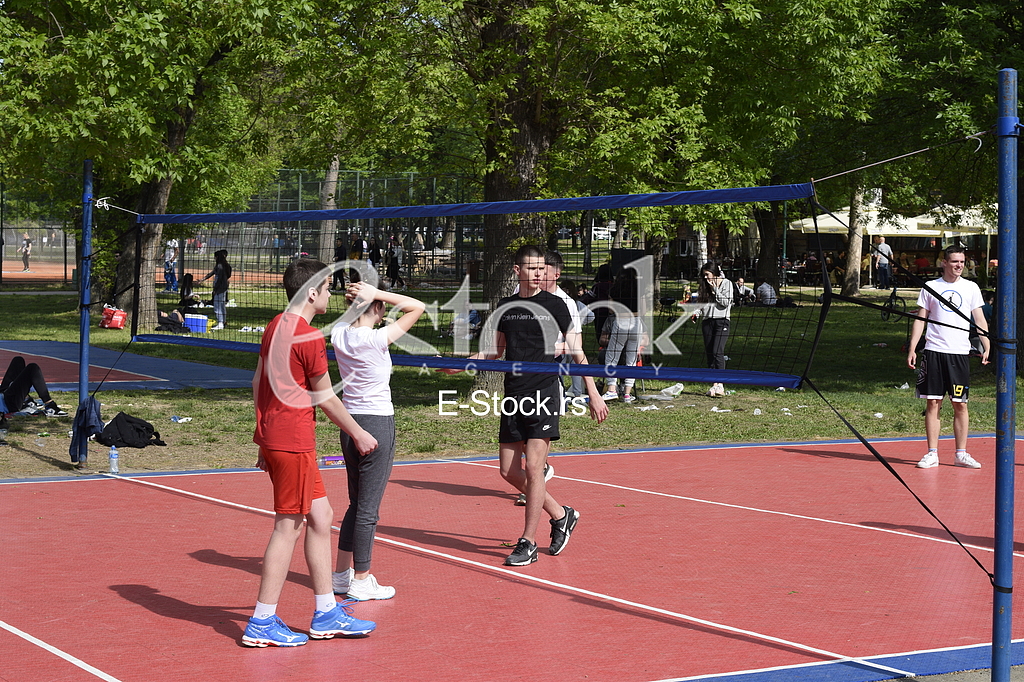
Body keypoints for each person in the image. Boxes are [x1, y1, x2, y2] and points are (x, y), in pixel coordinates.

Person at [440, 245, 608, 566]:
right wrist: (460, 364)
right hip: (514, 393)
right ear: (517, 271)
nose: (539, 273)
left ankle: (527, 542)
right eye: (532, 268)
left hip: (544, 391)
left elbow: (577, 352)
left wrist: (593, 392)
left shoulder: (557, 304)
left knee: (534, 468)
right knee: (507, 471)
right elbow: (494, 352)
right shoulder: (506, 306)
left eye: (542, 268)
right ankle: (561, 514)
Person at [243, 258, 378, 648]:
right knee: (288, 527)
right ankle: (262, 620)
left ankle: (325, 612)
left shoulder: (274, 325)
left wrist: (261, 433)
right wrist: (358, 433)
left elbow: (257, 381)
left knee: (322, 515)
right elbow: (325, 397)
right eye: (329, 287)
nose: (333, 293)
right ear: (313, 292)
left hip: (278, 437)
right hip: (292, 440)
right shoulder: (307, 335)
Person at [329, 281, 425, 601]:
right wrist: (377, 294)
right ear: (380, 308)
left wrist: (361, 300)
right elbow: (417, 307)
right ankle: (361, 579)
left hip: (349, 424)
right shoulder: (376, 338)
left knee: (356, 505)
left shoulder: (339, 334)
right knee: (368, 510)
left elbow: (350, 317)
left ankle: (341, 576)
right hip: (377, 424)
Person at [906, 246, 989, 470]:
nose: (959, 266)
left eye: (961, 262)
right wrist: (913, 347)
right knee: (933, 402)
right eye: (954, 262)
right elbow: (920, 319)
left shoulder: (971, 287)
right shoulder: (931, 287)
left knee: (960, 404)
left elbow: (979, 319)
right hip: (934, 352)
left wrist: (986, 344)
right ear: (944, 262)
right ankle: (932, 453)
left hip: (959, 355)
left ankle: (961, 453)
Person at [601, 267, 643, 404]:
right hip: (637, 322)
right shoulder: (639, 290)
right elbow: (643, 310)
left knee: (612, 357)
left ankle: (612, 390)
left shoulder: (614, 290)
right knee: (631, 360)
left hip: (621, 321)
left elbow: (610, 309)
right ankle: (627, 394)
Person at [691, 263, 732, 398]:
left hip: (722, 321)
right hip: (707, 321)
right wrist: (696, 312)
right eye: (703, 275)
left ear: (714, 273)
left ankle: (721, 383)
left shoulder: (727, 284)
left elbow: (725, 303)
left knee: (717, 351)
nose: (705, 277)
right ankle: (714, 384)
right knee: (710, 353)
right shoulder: (704, 285)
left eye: (707, 274)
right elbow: (702, 302)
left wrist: (715, 289)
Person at [200, 249, 231, 330]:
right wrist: (203, 279)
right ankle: (223, 322)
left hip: (220, 288)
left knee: (217, 306)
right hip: (223, 288)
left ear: (217, 257)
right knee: (222, 305)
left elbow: (219, 279)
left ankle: (220, 323)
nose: (214, 258)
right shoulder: (222, 265)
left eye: (215, 257)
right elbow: (211, 273)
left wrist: (215, 289)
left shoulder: (220, 266)